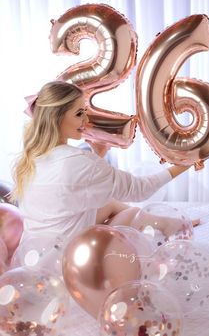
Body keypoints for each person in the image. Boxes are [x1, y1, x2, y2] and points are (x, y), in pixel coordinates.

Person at [10, 80, 199, 251]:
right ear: (57, 119)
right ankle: (169, 225)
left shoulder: (30, 159)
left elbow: (68, 195)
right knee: (132, 212)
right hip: (68, 262)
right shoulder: (78, 162)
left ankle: (168, 224)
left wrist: (98, 155)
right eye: (79, 113)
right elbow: (140, 190)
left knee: (109, 204)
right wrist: (181, 166)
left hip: (34, 256)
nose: (86, 120)